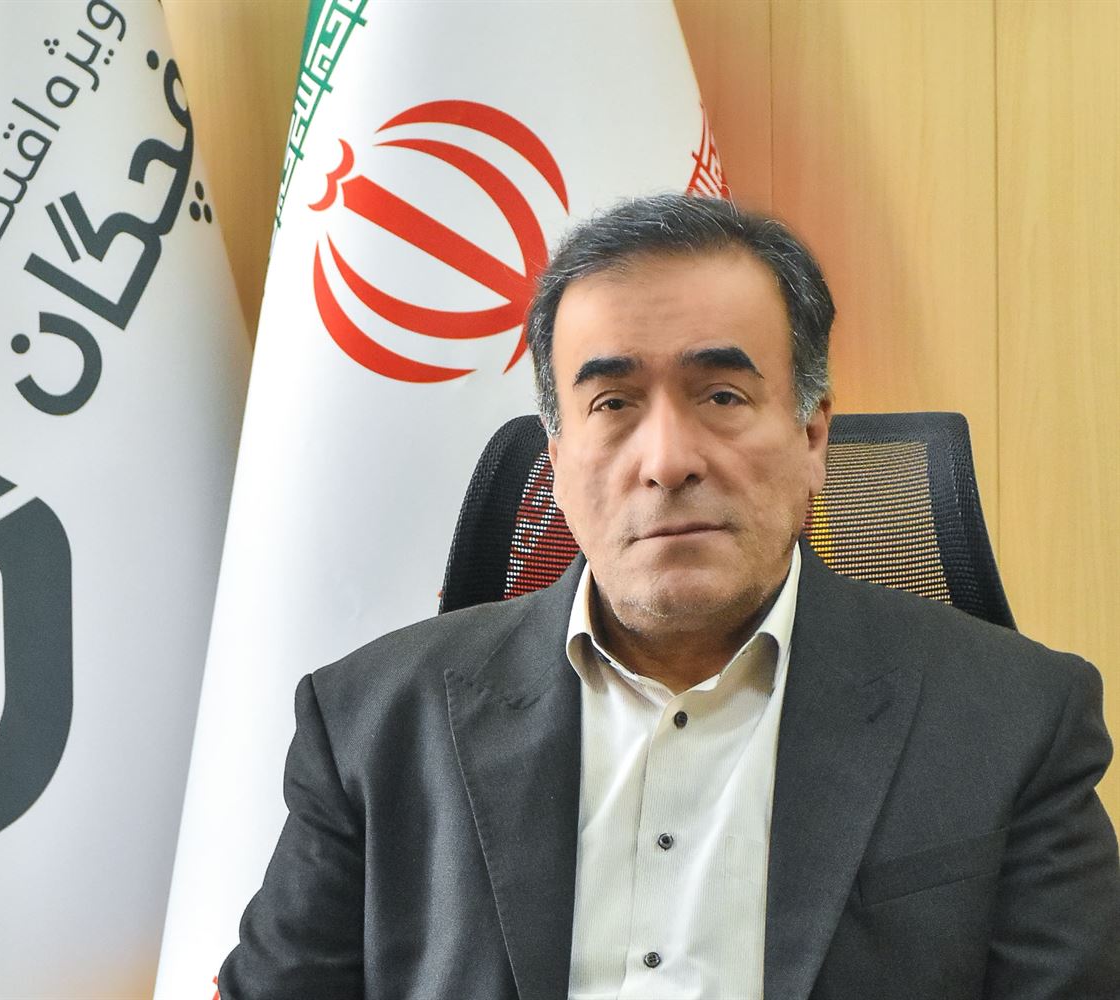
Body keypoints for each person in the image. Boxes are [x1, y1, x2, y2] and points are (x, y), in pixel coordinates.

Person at [216, 194, 1120, 999]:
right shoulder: (369, 725)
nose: (668, 461)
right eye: (612, 404)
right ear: (557, 460)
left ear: (812, 437)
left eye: (721, 395)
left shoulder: (1013, 721)